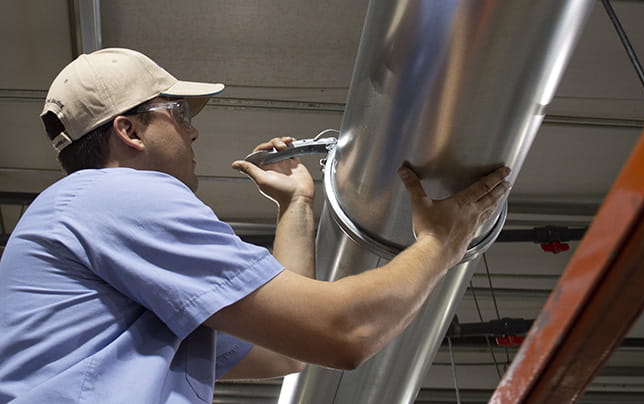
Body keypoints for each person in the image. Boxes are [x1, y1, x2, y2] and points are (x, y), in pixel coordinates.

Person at [0, 48, 510, 403]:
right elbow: (344, 332)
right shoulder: (116, 197)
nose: (192, 128)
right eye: (175, 111)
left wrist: (296, 205)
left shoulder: (92, 222)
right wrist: (443, 240)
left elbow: (283, 352)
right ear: (129, 131)